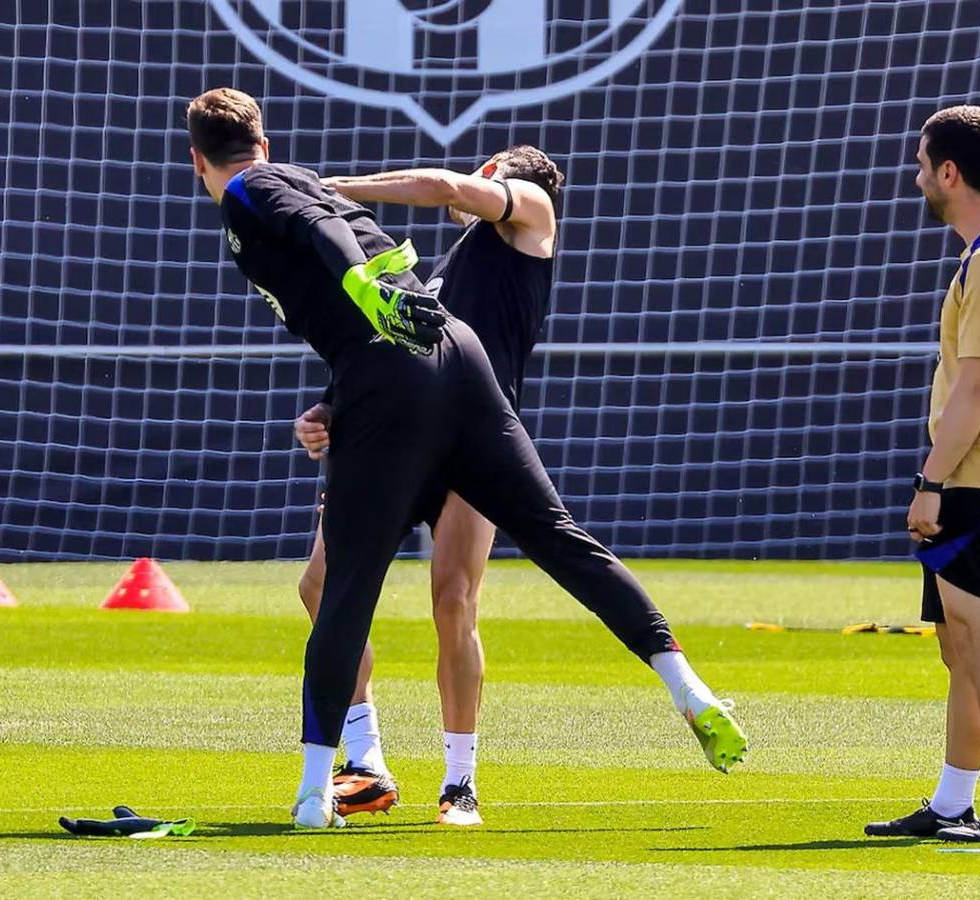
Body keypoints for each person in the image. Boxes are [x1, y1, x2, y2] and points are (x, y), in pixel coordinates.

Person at [186, 87, 747, 831]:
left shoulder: (264, 188)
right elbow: (381, 300)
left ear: (198, 159)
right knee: (545, 543)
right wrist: (336, 403)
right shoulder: (437, 251)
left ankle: (329, 789)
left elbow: (344, 232)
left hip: (418, 397)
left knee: (386, 588)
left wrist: (352, 268)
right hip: (448, 379)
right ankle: (685, 682)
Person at [293, 147, 562, 826]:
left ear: (502, 169)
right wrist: (329, 410)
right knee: (320, 583)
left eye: (487, 167)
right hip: (397, 438)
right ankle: (366, 763)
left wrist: (330, 187)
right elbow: (392, 350)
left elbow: (446, 184)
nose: (472, 178)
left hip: (476, 441)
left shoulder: (532, 210)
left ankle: (460, 782)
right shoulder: (446, 270)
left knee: (453, 600)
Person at [865, 106, 980, 843]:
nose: (917, 176)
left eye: (922, 163)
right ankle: (952, 802)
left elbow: (977, 390)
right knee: (960, 644)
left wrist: (931, 483)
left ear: (949, 172)